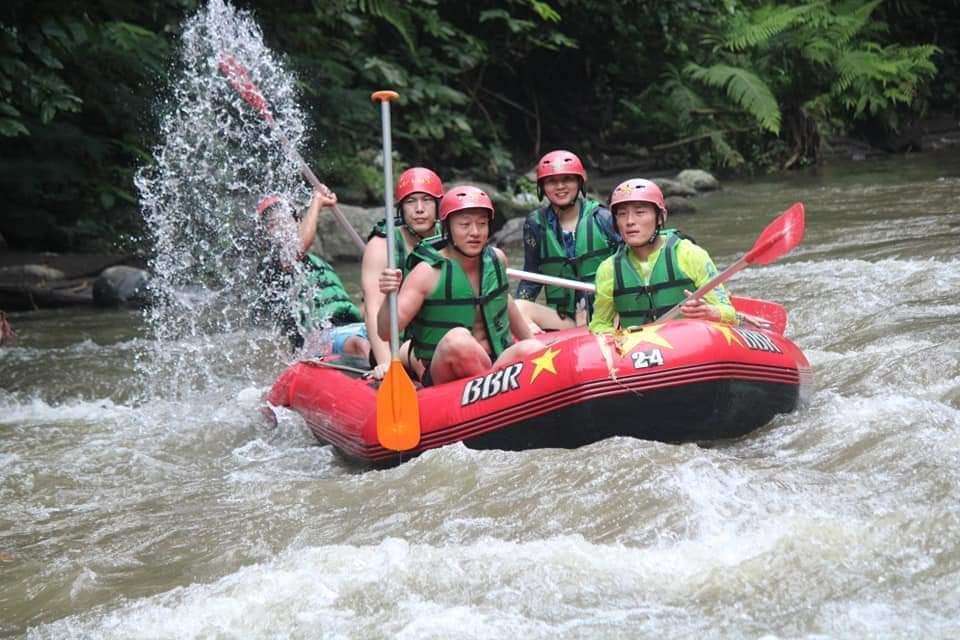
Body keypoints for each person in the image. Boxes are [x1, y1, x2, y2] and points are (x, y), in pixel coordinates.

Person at [377, 185, 542, 386]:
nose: (475, 232)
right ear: (447, 229)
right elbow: (386, 332)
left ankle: (498, 393)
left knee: (532, 350)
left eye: (482, 224)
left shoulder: (497, 260)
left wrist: (533, 342)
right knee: (458, 341)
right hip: (446, 369)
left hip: (494, 363)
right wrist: (389, 295)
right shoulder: (427, 272)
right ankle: (496, 391)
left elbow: (502, 302)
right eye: (464, 225)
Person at [589, 179, 736, 333]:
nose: (630, 221)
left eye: (640, 212)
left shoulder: (690, 254)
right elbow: (599, 325)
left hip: (689, 345)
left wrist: (711, 312)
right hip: (637, 349)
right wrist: (615, 337)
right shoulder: (608, 269)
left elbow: (729, 313)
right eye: (622, 214)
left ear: (660, 217)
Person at [515, 150, 620, 331]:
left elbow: (627, 267)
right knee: (517, 307)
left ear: (579, 182)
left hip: (607, 317)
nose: (560, 186)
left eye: (568, 179)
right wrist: (519, 322)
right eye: (551, 181)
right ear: (542, 187)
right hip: (565, 320)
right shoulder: (535, 225)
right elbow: (531, 278)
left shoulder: (603, 218)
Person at [256, 188, 369, 358]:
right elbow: (297, 248)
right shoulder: (272, 267)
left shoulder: (320, 264)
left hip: (348, 329)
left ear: (298, 222)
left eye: (286, 220)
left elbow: (346, 312)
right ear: (265, 236)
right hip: (313, 342)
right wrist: (317, 201)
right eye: (273, 225)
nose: (281, 228)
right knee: (360, 343)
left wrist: (373, 296)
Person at [361, 167, 443, 378]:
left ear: (438, 205)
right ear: (400, 208)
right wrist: (387, 364)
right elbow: (373, 308)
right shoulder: (381, 245)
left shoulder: (452, 237)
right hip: (399, 344)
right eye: (410, 201)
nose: (419, 209)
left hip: (443, 334)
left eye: (426, 200)